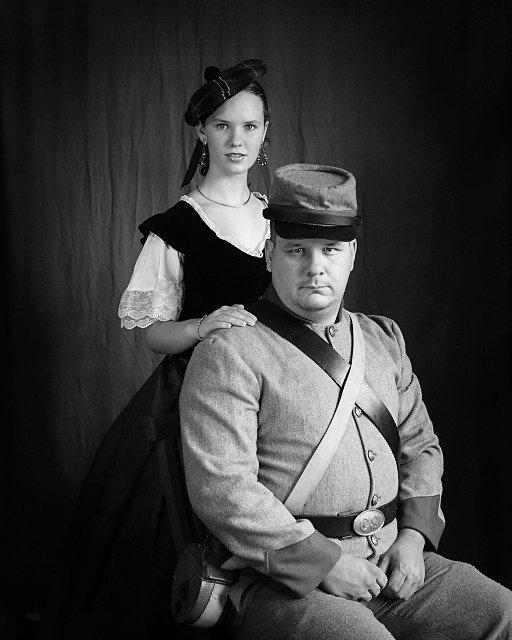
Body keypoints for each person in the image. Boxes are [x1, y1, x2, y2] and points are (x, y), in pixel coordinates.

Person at [179, 164, 512, 640]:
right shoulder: (230, 351)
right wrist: (326, 563)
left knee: (502, 614)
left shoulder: (383, 339)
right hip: (284, 582)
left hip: (391, 564)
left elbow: (421, 447)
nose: (315, 267)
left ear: (352, 255)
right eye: (296, 250)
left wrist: (413, 538)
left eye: (331, 250)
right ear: (270, 254)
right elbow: (223, 487)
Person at [38, 59, 272, 639]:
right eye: (222, 125)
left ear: (265, 132)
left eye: (248, 126)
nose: (236, 139)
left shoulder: (278, 217)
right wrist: (204, 325)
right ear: (202, 133)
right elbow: (151, 335)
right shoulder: (178, 225)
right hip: (196, 391)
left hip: (273, 393)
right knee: (185, 541)